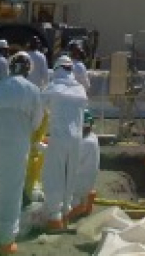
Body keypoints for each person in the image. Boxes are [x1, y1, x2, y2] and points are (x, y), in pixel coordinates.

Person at [0, 51, 44, 255]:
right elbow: (36, 121)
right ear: (29, 70)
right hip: (16, 145)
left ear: (10, 67)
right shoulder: (33, 90)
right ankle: (5, 241)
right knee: (9, 191)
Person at [39, 54, 88, 229]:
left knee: (54, 174)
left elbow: (39, 105)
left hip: (59, 137)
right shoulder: (80, 89)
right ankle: (67, 211)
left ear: (57, 69)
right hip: (77, 138)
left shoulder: (53, 87)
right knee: (71, 174)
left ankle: (55, 216)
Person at [69, 109, 100, 219]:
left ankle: (78, 208)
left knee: (64, 206)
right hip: (88, 181)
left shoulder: (86, 143)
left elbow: (68, 159)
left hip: (79, 184)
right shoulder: (92, 137)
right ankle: (87, 201)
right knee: (83, 192)